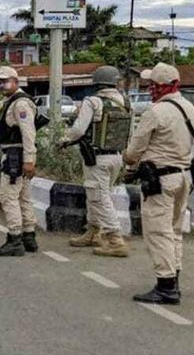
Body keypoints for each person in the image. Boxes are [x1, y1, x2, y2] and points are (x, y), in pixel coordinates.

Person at [124, 63, 194, 305]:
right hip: (185, 176)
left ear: (161, 86)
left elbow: (135, 149)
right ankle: (173, 277)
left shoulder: (155, 112)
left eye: (152, 85)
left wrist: (129, 163)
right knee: (174, 230)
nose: (149, 88)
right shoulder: (189, 108)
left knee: (158, 231)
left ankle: (166, 286)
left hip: (160, 180)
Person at [64, 66, 130, 257]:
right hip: (117, 157)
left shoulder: (93, 101)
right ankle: (93, 232)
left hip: (97, 158)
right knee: (96, 194)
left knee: (100, 198)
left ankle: (115, 239)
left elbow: (78, 130)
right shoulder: (125, 101)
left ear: (97, 83)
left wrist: (64, 139)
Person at [0, 67, 39, 257]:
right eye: (0, 82)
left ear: (16, 82)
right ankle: (29, 236)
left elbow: (28, 133)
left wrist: (28, 160)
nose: (2, 85)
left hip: (15, 155)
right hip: (17, 154)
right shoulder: (13, 101)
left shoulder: (20, 104)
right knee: (23, 197)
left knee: (8, 197)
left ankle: (15, 239)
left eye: (5, 81)